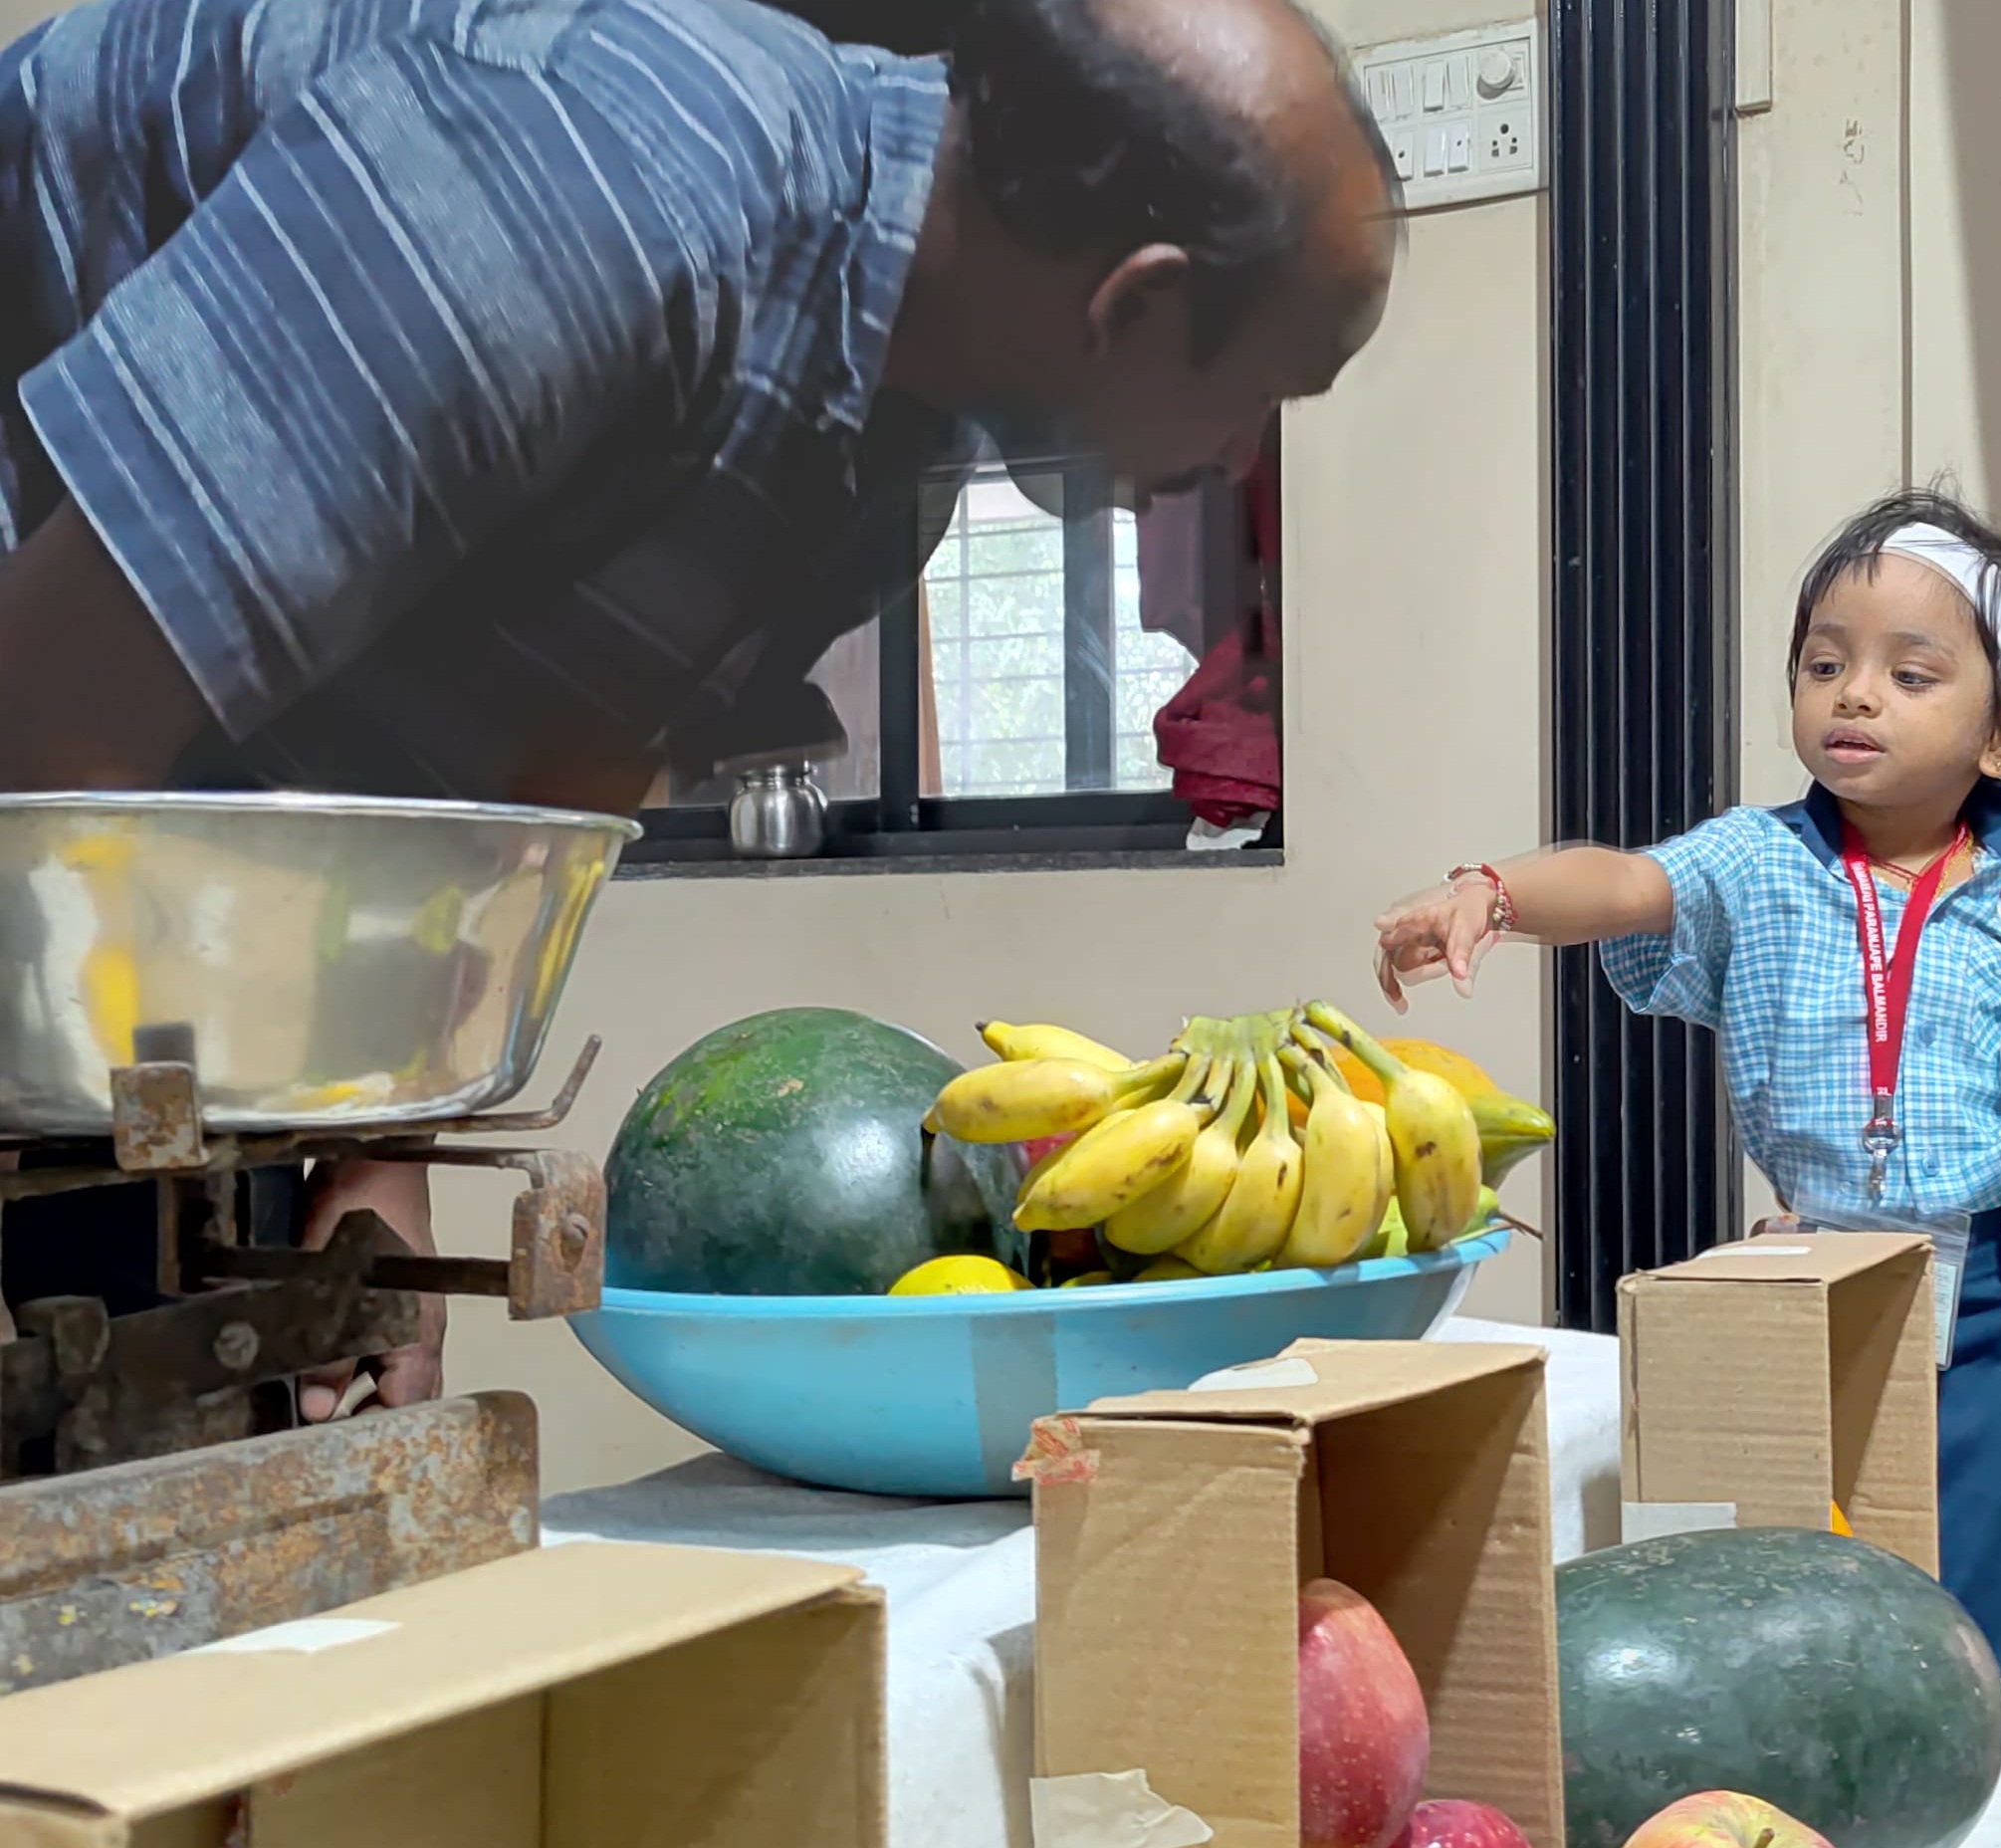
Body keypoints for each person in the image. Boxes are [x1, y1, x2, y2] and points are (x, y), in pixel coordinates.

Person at [0, 0, 1398, 1422]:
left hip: (137, 824)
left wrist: (377, 1161)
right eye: (1259, 397)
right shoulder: (608, 182)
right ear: (1139, 307)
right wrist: (180, 1289)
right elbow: (52, 721)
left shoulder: (875, 457)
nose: (1236, 462)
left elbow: (536, 785)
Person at [1373, 488, 2001, 1683]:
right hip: (1815, 1283)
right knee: (1824, 1608)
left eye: (1910, 674)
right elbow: (1618, 881)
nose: (1854, 693)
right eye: (1823, 661)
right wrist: (1490, 891)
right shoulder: (1754, 859)